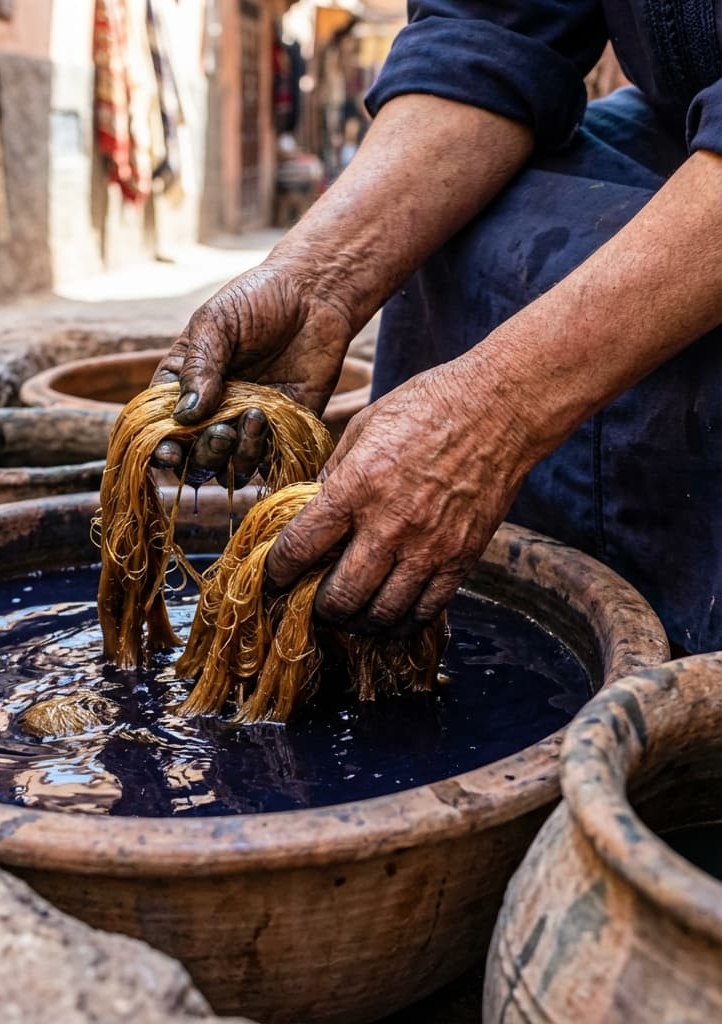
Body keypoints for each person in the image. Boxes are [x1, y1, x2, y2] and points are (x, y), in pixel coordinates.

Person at [151, 0, 722, 655]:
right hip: (674, 119)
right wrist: (318, 283)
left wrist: (497, 409)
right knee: (468, 228)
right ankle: (463, 627)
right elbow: (487, 31)